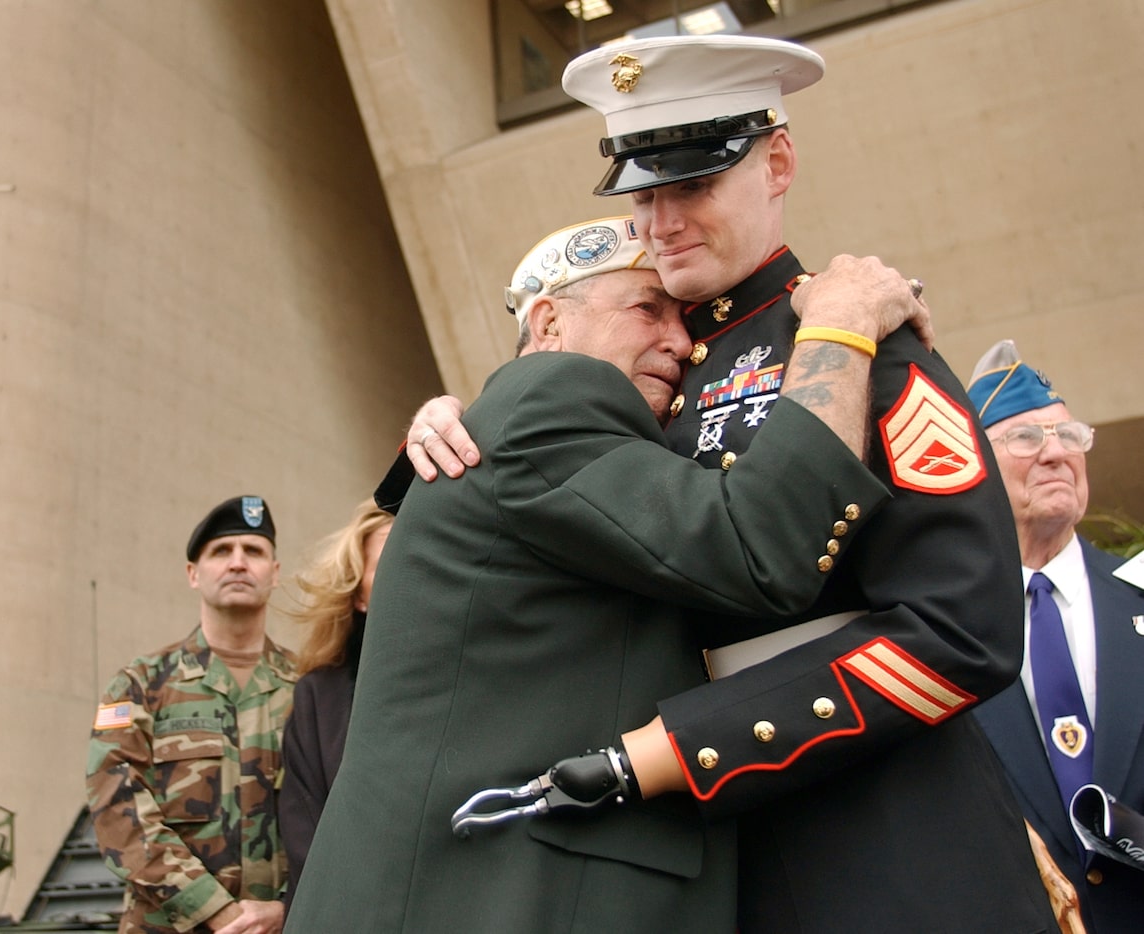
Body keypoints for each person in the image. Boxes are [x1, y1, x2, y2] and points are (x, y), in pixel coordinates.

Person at [406, 36, 1053, 932]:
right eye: (643, 191)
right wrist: (452, 424)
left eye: (694, 184)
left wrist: (686, 745)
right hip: (678, 866)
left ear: (778, 161)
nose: (661, 222)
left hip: (881, 840)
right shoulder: (639, 371)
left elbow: (963, 627)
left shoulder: (860, 340)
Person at [284, 214, 929, 933]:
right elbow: (763, 548)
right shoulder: (550, 399)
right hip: (502, 897)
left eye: (683, 320)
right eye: (645, 309)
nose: (681, 343)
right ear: (550, 323)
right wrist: (840, 326)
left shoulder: (522, 425)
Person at [967, 340, 1144, 933]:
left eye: (1069, 437)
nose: (1056, 455)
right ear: (976, 469)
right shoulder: (938, 628)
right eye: (1024, 439)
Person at [87, 495, 297, 934]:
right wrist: (221, 913)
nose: (238, 563)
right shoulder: (140, 685)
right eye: (221, 551)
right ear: (192, 575)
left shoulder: (311, 689)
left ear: (274, 574)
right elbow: (118, 812)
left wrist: (289, 907)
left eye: (254, 551)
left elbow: (340, 814)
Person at [277, 499, 393, 914]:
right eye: (390, 564)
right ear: (358, 596)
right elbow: (307, 842)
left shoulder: (480, 680)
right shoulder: (318, 698)